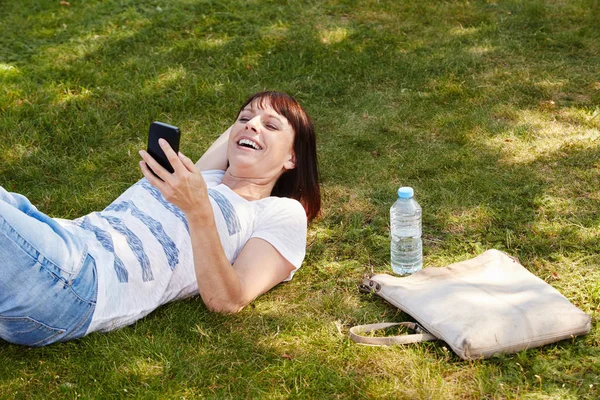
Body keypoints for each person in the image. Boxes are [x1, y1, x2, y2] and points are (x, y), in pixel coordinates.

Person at [0, 91, 320, 346]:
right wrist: (257, 117)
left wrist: (198, 210)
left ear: (293, 157)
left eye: (271, 126)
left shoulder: (279, 212)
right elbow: (236, 132)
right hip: (61, 235)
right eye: (245, 119)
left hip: (81, 281)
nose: (251, 126)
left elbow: (228, 300)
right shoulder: (203, 175)